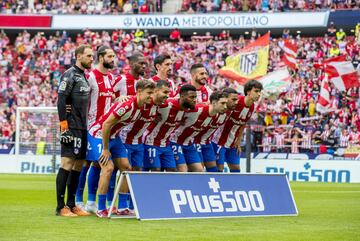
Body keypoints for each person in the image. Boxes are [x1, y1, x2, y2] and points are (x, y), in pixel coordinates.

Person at [88, 80, 155, 218]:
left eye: (152, 93)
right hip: (98, 134)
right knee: (108, 168)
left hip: (114, 137)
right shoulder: (127, 106)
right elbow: (106, 125)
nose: (151, 96)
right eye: (149, 93)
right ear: (139, 92)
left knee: (126, 168)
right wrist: (106, 149)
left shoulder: (141, 106)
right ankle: (101, 208)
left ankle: (122, 207)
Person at [74, 46, 117, 213]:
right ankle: (78, 200)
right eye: (110, 56)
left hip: (104, 129)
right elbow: (81, 101)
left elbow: (110, 99)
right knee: (84, 163)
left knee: (95, 164)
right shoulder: (90, 77)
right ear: (101, 58)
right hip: (89, 128)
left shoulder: (112, 78)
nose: (113, 59)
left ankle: (91, 201)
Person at [55, 44, 93, 217]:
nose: (92, 59)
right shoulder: (69, 75)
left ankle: (72, 204)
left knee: (79, 165)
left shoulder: (83, 76)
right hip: (71, 126)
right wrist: (64, 127)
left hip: (83, 127)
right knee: (67, 164)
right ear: (78, 56)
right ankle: (60, 207)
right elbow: (61, 100)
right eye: (89, 56)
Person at [143, 84, 197, 172]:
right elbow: (145, 101)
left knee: (172, 170)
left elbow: (204, 106)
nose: (194, 100)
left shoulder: (189, 109)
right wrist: (152, 114)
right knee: (155, 169)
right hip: (151, 142)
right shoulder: (166, 104)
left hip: (166, 144)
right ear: (182, 96)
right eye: (192, 97)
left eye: (195, 97)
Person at [170, 90, 228, 172]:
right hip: (175, 141)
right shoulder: (197, 110)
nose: (225, 106)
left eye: (226, 103)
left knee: (199, 170)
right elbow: (177, 107)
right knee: (182, 170)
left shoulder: (216, 116)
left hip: (189, 144)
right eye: (222, 103)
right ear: (214, 102)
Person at [212, 81, 262, 172]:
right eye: (256, 91)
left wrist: (238, 141)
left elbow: (243, 124)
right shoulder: (235, 101)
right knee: (219, 169)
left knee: (236, 169)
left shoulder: (252, 107)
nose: (259, 94)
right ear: (248, 92)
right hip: (219, 141)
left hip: (232, 143)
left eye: (260, 92)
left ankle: (233, 187)